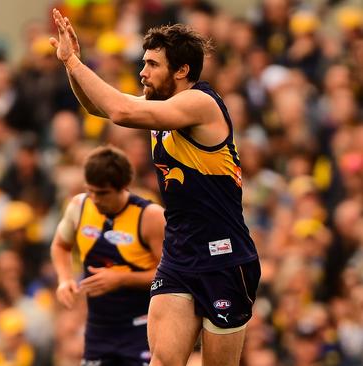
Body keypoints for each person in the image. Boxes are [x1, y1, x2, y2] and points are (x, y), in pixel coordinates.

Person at [50, 10, 261, 366]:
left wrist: (74, 62)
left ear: (181, 71)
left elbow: (121, 112)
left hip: (224, 257)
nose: (142, 72)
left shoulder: (200, 103)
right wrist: (72, 66)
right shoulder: (159, 104)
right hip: (179, 254)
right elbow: (95, 106)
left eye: (152, 65)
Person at [50, 145, 165, 365]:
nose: (95, 199)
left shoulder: (150, 216)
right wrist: (64, 280)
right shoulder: (79, 206)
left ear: (122, 186)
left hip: (143, 327)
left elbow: (171, 276)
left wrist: (121, 279)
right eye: (90, 190)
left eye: (102, 193)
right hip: (98, 328)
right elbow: (60, 245)